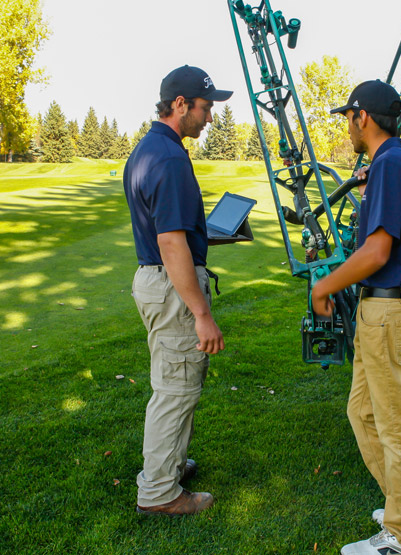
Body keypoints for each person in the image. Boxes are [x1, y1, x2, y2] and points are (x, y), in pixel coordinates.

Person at [310, 80, 401, 554]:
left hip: (390, 309)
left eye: (348, 117)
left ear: (362, 116)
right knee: (362, 412)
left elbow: (378, 251)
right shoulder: (396, 164)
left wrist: (325, 285)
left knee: (398, 427)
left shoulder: (390, 166)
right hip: (386, 308)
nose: (348, 126)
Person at [123, 65, 232, 516]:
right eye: (205, 108)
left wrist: (210, 236)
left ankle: (168, 466)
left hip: (158, 282)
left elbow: (172, 230)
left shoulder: (152, 150)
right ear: (180, 104)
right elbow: (169, 241)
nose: (210, 119)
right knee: (175, 388)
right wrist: (202, 312)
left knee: (175, 381)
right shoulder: (168, 157)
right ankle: (159, 494)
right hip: (171, 286)